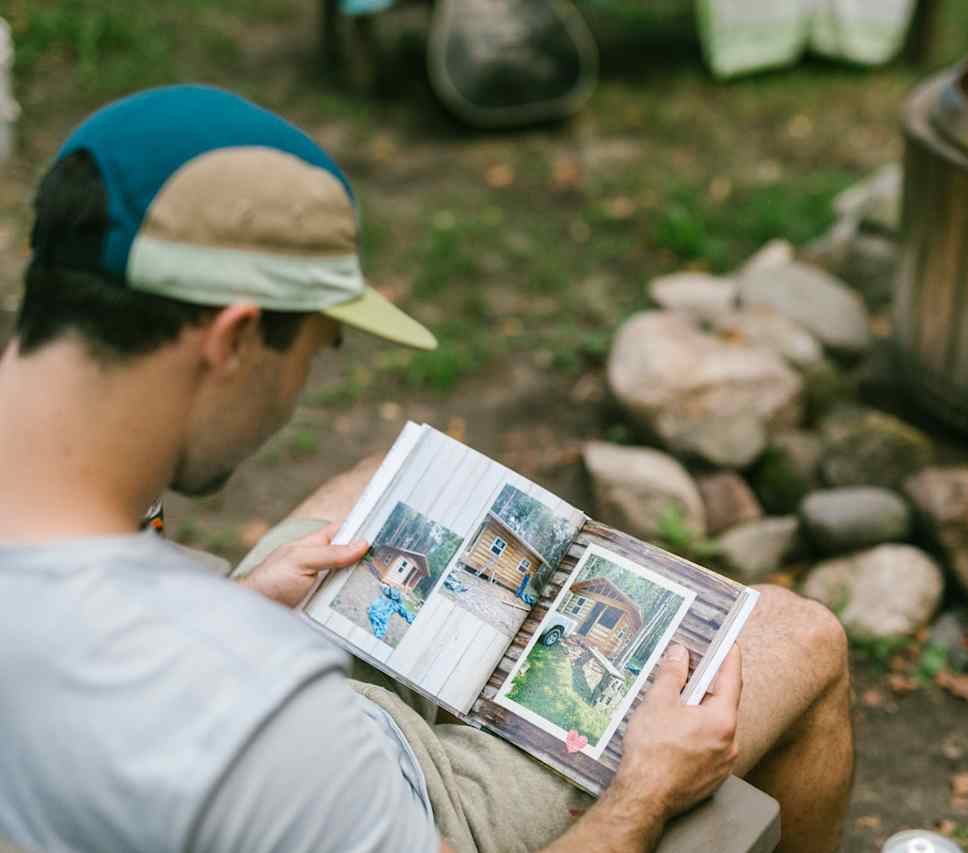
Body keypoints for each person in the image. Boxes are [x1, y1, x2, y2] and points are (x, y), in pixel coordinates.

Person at [0, 85, 853, 853]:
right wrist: (645, 789)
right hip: (364, 786)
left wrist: (239, 601)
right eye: (316, 347)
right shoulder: (265, 718)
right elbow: (231, 726)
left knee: (368, 486)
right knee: (802, 637)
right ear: (232, 340)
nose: (300, 388)